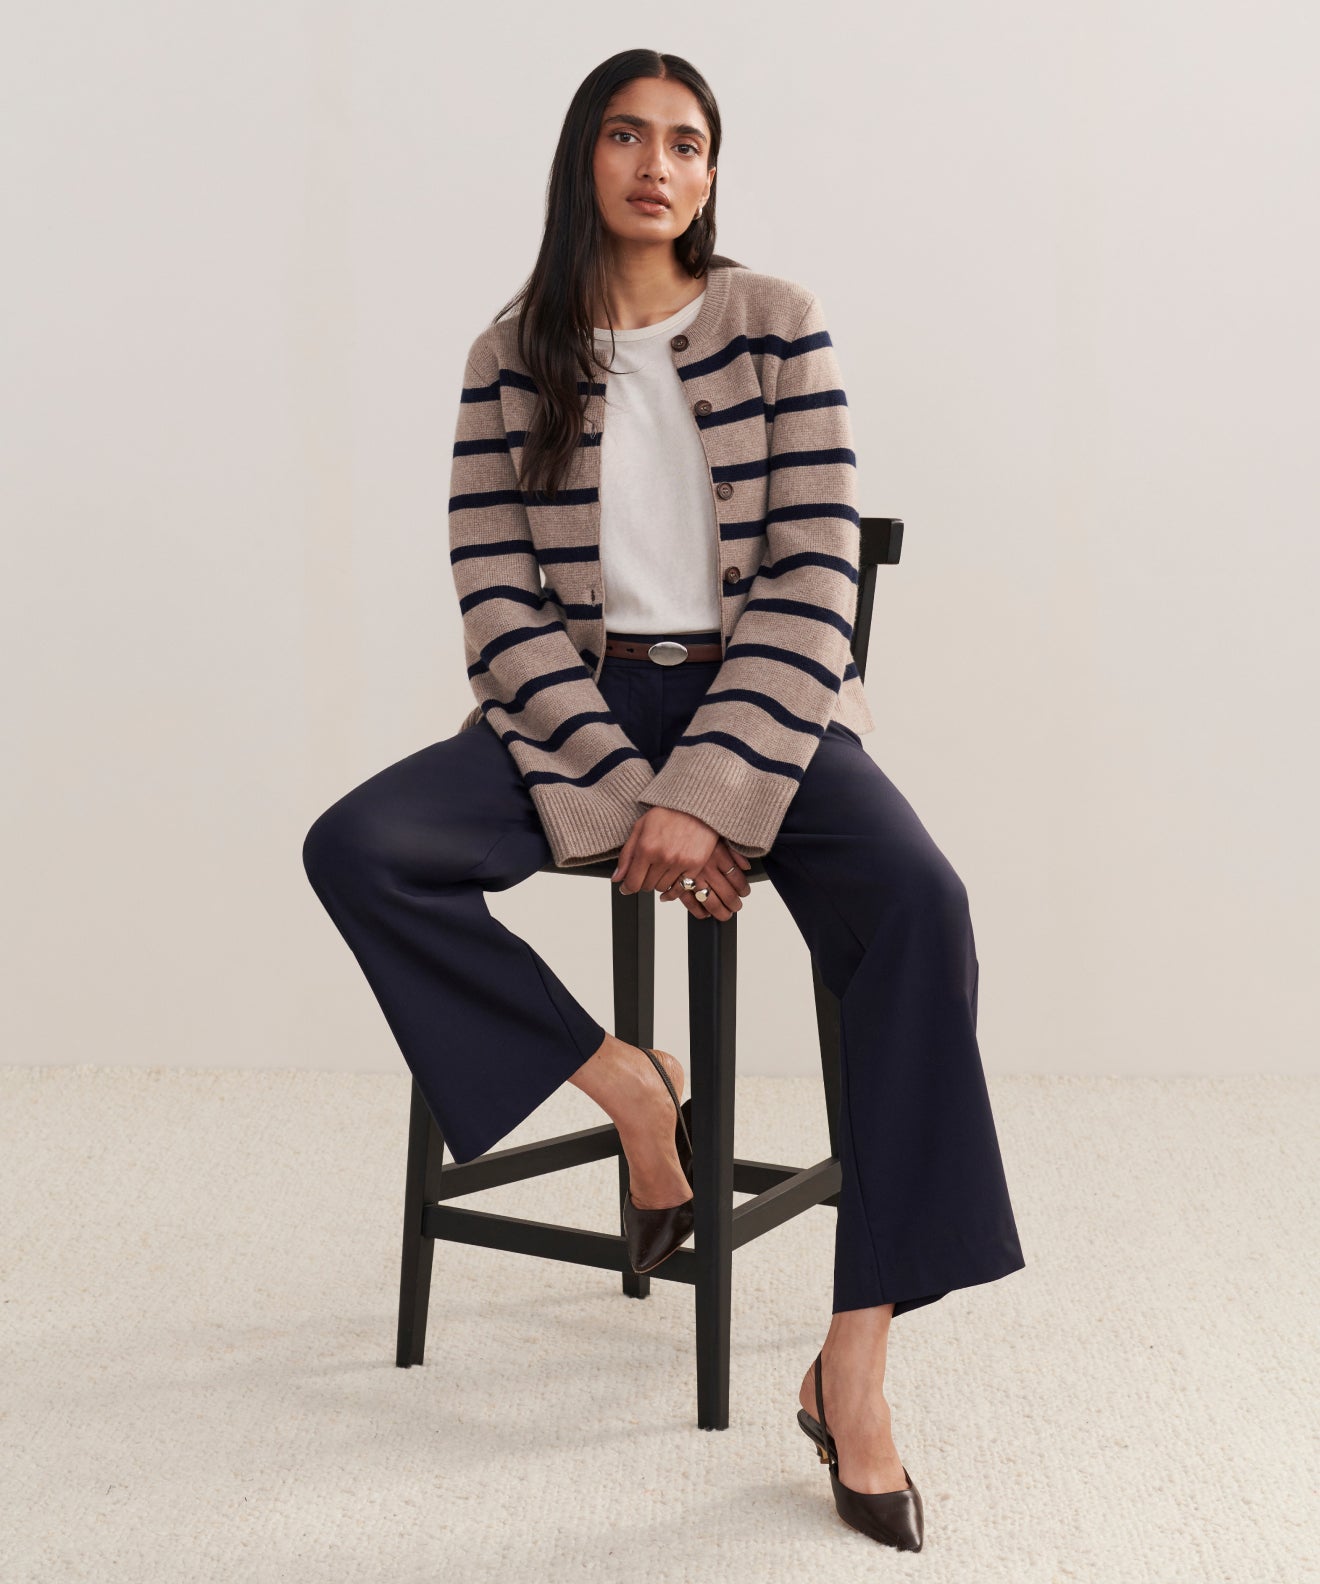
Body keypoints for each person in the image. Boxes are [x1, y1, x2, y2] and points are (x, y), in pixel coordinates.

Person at [302, 48, 1025, 1552]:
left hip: (767, 708)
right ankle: (634, 1089)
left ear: (710, 174)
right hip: (573, 714)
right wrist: (629, 789)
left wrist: (703, 788)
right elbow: (496, 599)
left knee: (923, 905)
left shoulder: (777, 322)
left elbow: (816, 573)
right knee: (360, 847)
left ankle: (853, 1366)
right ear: (585, 158)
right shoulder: (510, 354)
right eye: (629, 136)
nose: (658, 165)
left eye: (687, 144)